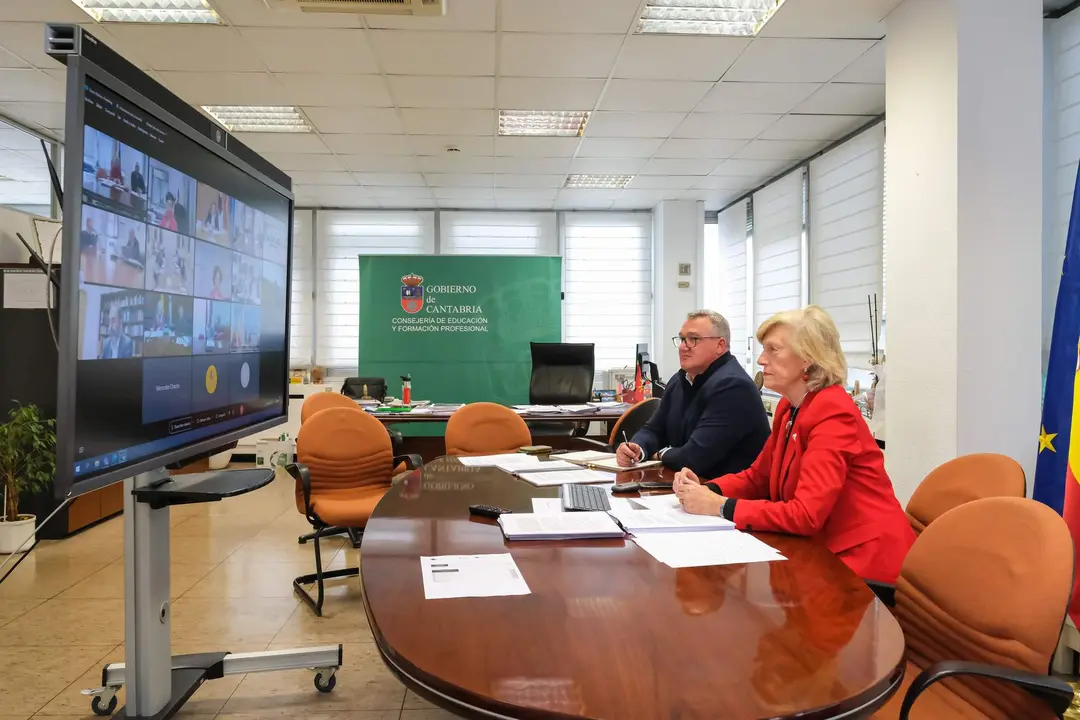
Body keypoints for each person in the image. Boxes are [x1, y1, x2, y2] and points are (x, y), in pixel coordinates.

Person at [673, 306, 915, 584]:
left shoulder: (833, 412)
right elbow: (757, 478)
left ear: (808, 359)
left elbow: (805, 514)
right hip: (819, 553)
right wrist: (707, 490)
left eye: (773, 350)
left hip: (861, 565)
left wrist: (720, 505)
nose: (762, 359)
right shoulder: (790, 407)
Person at [616, 310, 770, 479]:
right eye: (682, 339)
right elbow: (654, 429)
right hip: (688, 485)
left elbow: (694, 458)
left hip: (727, 495)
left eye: (693, 339)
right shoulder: (680, 379)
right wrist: (638, 448)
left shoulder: (733, 387)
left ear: (720, 345)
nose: (683, 346)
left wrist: (660, 454)